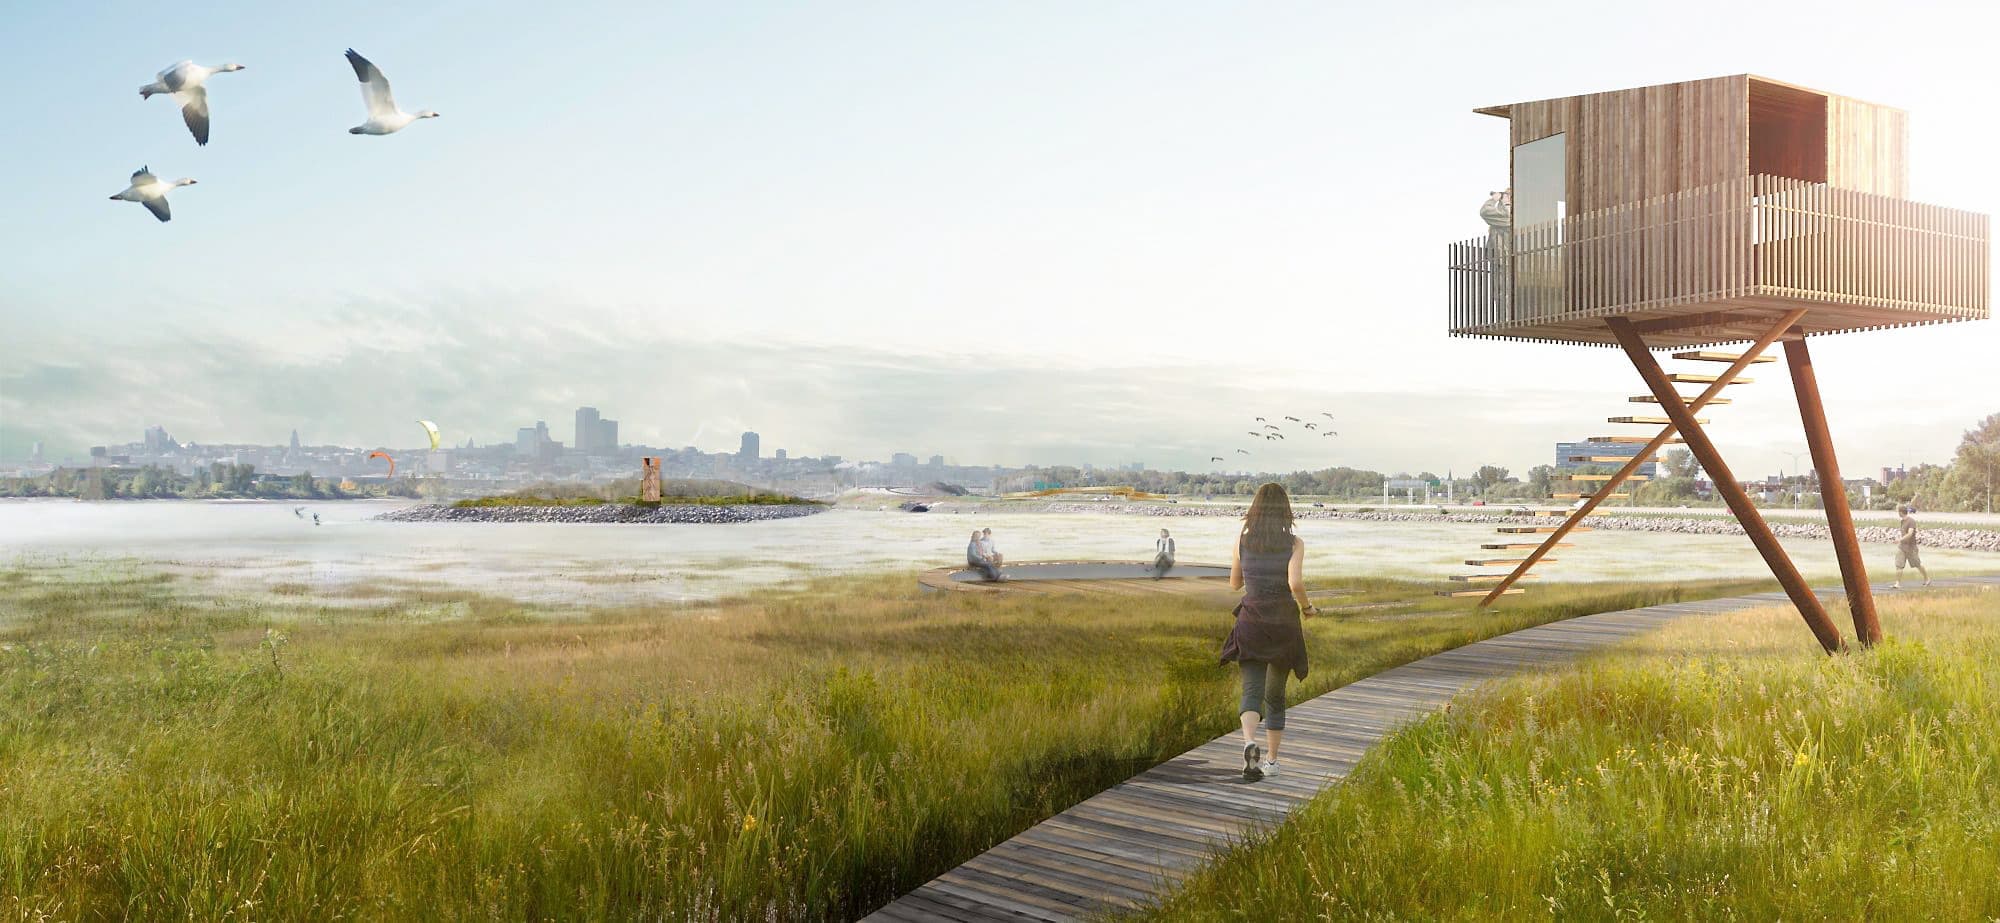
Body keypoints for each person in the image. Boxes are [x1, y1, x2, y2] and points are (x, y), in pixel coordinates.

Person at [1219, 482, 1316, 782]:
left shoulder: (1241, 541)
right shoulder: (1294, 543)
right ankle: (1272, 762)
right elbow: (1295, 584)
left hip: (1251, 621)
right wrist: (1308, 608)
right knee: (1275, 695)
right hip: (1282, 624)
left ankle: (1249, 742)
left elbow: (1235, 584)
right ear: (1286, 511)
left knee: (1251, 691)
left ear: (1255, 509)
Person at [1893, 504, 1930, 589]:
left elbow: (1910, 534)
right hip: (1902, 547)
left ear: (1901, 512)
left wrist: (1900, 540)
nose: (1897, 513)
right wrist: (1900, 542)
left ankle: (1927, 579)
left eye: (1898, 511)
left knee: (1917, 564)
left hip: (1911, 548)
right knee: (1899, 565)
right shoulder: (1902, 521)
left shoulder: (1911, 521)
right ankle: (1897, 583)